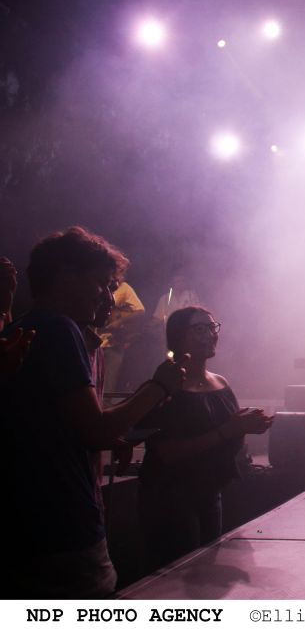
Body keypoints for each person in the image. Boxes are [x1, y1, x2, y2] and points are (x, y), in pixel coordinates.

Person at [3, 226, 182, 598]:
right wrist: (159, 386)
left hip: (25, 526)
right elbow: (96, 431)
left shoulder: (23, 328)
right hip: (63, 527)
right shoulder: (58, 329)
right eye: (101, 284)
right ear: (67, 276)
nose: (107, 296)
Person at [137, 306, 273, 570]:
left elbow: (229, 432)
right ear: (178, 337)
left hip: (210, 493)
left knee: (205, 573)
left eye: (212, 327)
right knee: (176, 576)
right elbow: (167, 452)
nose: (210, 335)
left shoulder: (220, 383)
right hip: (171, 497)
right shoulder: (164, 386)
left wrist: (248, 425)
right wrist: (228, 431)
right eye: (200, 329)